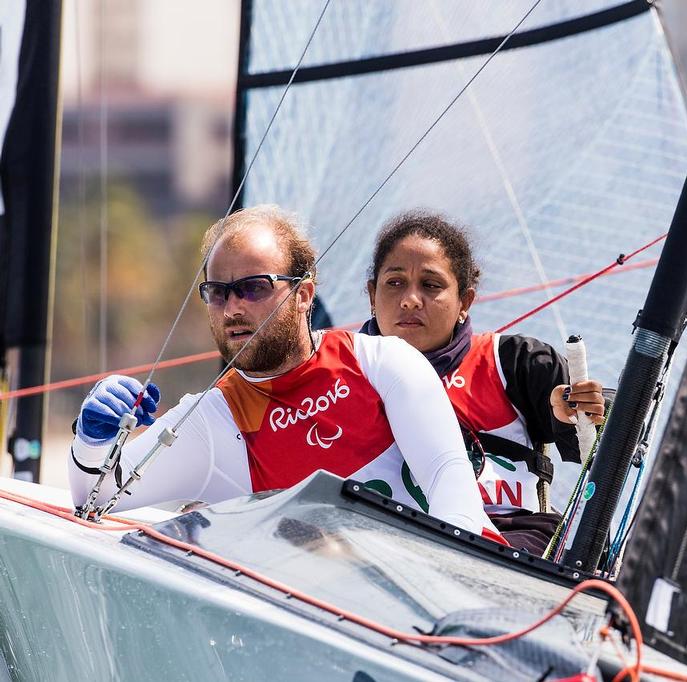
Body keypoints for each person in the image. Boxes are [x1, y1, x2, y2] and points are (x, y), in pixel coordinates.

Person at [68, 205, 500, 540]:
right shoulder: (212, 420)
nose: (233, 308)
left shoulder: (383, 362)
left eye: (253, 287)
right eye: (217, 293)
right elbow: (95, 498)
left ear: (303, 295)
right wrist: (92, 440)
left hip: (466, 609)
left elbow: (451, 485)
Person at [361, 210, 605, 554]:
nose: (410, 299)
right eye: (395, 282)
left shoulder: (515, 361)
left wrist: (574, 412)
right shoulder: (338, 373)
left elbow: (609, 441)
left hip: (505, 542)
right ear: (372, 295)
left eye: (431, 285)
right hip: (381, 538)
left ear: (465, 302)